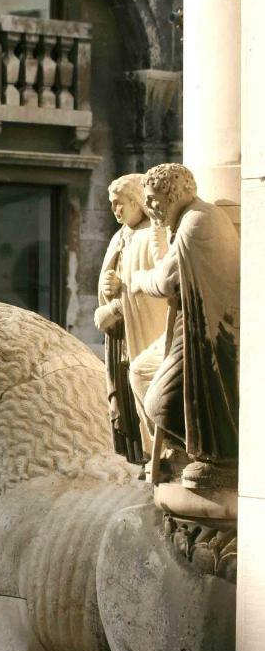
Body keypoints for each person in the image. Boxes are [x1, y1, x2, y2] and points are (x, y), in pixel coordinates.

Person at [131, 163, 240, 489]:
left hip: (209, 331)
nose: (150, 207)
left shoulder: (197, 222)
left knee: (159, 402)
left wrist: (139, 279)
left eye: (153, 199)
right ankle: (180, 452)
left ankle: (219, 458)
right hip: (191, 325)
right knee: (140, 371)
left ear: (174, 192)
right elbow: (170, 264)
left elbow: (166, 279)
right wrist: (159, 229)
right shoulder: (186, 220)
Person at [94, 173, 168, 463]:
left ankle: (157, 454)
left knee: (146, 386)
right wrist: (107, 288)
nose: (116, 210)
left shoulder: (153, 234)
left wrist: (118, 300)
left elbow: (160, 286)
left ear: (137, 201)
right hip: (119, 337)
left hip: (145, 332)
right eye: (112, 204)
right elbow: (109, 286)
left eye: (120, 203)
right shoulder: (120, 237)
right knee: (126, 402)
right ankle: (144, 457)